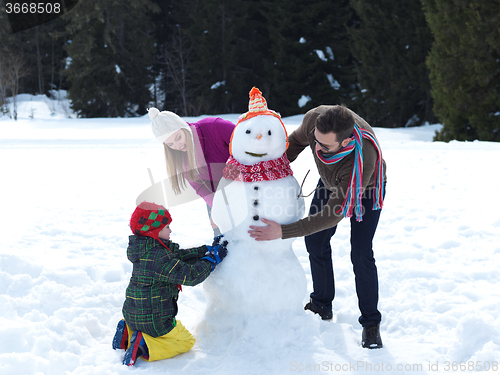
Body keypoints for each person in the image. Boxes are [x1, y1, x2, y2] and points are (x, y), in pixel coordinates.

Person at [249, 105, 387, 349]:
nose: (318, 148)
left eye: (325, 146)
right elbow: (295, 142)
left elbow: (332, 215)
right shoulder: (315, 121)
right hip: (330, 180)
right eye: (317, 141)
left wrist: (283, 231)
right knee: (315, 242)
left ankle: (370, 323)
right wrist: (272, 170)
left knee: (360, 254)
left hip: (364, 188)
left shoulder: (363, 157)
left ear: (345, 142)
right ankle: (322, 304)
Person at [112, 201, 228, 366]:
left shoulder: (147, 249)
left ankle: (128, 331)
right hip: (153, 320)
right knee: (185, 341)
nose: (171, 230)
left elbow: (179, 256)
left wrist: (205, 250)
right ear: (155, 231)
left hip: (132, 314)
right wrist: (212, 260)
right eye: (167, 227)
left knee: (172, 325)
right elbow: (191, 276)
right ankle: (145, 345)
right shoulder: (160, 257)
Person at [149, 108, 235, 235]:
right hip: (216, 197)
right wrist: (217, 207)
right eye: (170, 144)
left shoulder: (215, 127)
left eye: (178, 137)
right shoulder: (179, 157)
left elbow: (247, 146)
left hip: (247, 186)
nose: (177, 146)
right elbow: (200, 186)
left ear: (184, 127)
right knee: (222, 239)